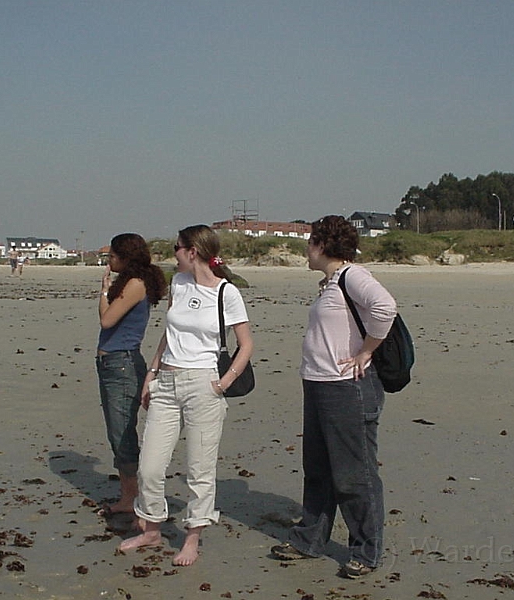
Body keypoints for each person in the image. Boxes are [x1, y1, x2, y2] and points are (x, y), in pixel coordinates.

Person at [119, 224, 253, 567]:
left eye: (177, 248)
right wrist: (151, 372)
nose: (172, 253)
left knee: (200, 470)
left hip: (204, 385)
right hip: (166, 381)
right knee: (149, 468)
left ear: (192, 251)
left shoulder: (227, 293)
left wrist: (223, 383)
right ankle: (151, 528)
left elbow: (246, 344)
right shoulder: (178, 284)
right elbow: (169, 332)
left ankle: (192, 537)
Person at [270, 215, 396, 579]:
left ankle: (366, 550)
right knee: (319, 470)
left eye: (310, 242)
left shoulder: (351, 275)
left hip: (348, 387)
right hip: (319, 384)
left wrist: (366, 351)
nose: (306, 250)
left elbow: (385, 307)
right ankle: (309, 538)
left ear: (322, 245)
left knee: (355, 475)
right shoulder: (329, 283)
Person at [96, 233, 167, 517]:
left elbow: (106, 320)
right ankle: (131, 493)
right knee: (118, 432)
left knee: (122, 432)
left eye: (112, 256)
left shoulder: (135, 284)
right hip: (113, 362)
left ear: (125, 258)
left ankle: (131, 496)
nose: (108, 261)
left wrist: (103, 291)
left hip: (122, 363)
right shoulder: (131, 282)